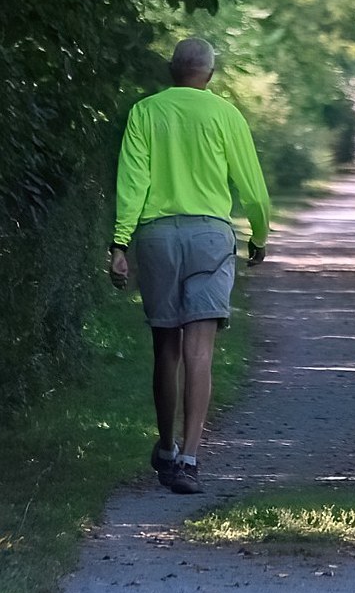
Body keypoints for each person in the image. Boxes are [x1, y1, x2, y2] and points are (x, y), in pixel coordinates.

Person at [108, 37, 270, 495]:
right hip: (210, 238)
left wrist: (120, 242)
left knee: (166, 347)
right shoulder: (225, 114)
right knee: (200, 351)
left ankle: (164, 446)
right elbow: (252, 188)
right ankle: (190, 459)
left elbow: (132, 181)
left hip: (157, 236)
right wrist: (259, 235)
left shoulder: (146, 112)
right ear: (210, 75)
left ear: (170, 70)